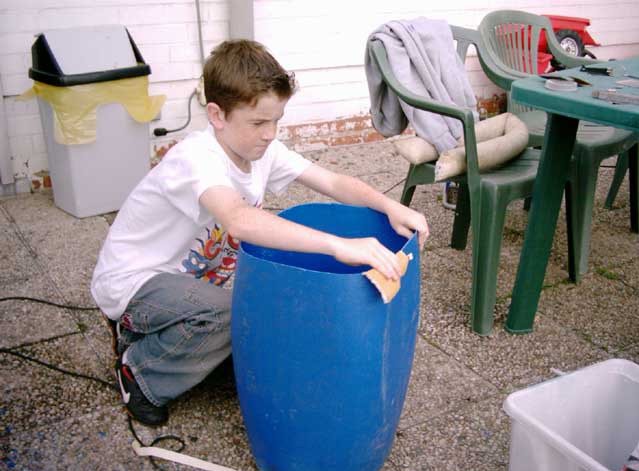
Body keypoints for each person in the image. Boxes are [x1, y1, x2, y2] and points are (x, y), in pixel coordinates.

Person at [91, 39, 429, 426]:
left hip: (184, 282)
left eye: (276, 120)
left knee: (258, 325)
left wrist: (390, 207)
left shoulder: (261, 150)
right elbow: (238, 219)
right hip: (133, 282)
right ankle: (140, 371)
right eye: (258, 122)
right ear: (217, 115)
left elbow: (334, 182)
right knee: (229, 314)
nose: (270, 134)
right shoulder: (195, 159)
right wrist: (340, 246)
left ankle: (172, 337)